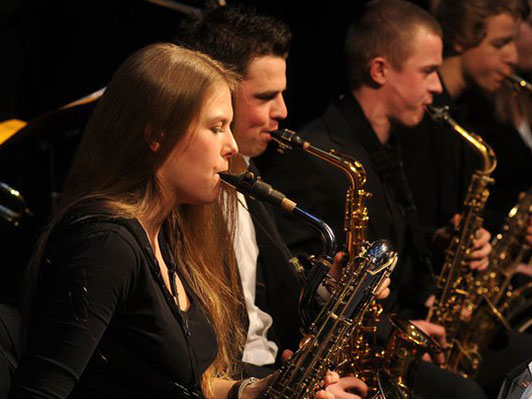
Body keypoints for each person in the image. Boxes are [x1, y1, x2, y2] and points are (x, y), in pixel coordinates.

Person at [258, 0, 490, 397]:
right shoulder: (316, 157)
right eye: (428, 71)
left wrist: (441, 241)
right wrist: (391, 331)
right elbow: (291, 281)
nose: (438, 86)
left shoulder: (392, 143)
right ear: (380, 70)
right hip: (345, 359)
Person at [9, 42, 259, 398]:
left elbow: (168, 386)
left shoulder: (166, 232)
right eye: (217, 127)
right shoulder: (106, 246)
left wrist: (254, 390)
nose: (232, 146)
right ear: (157, 135)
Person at [396, 0, 532, 396]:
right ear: (460, 40)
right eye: (500, 43)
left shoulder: (464, 114)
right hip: (420, 315)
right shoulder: (421, 122)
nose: (513, 57)